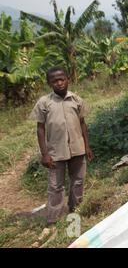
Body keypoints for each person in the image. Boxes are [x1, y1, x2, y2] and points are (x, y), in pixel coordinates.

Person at [30, 67, 93, 225]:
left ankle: (75, 211)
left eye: (61, 79)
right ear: (49, 83)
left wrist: (87, 146)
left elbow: (82, 124)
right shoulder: (45, 102)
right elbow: (40, 129)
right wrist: (44, 154)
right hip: (55, 153)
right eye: (54, 81)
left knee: (78, 181)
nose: (59, 83)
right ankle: (53, 219)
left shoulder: (76, 100)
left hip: (77, 149)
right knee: (56, 186)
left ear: (67, 79)